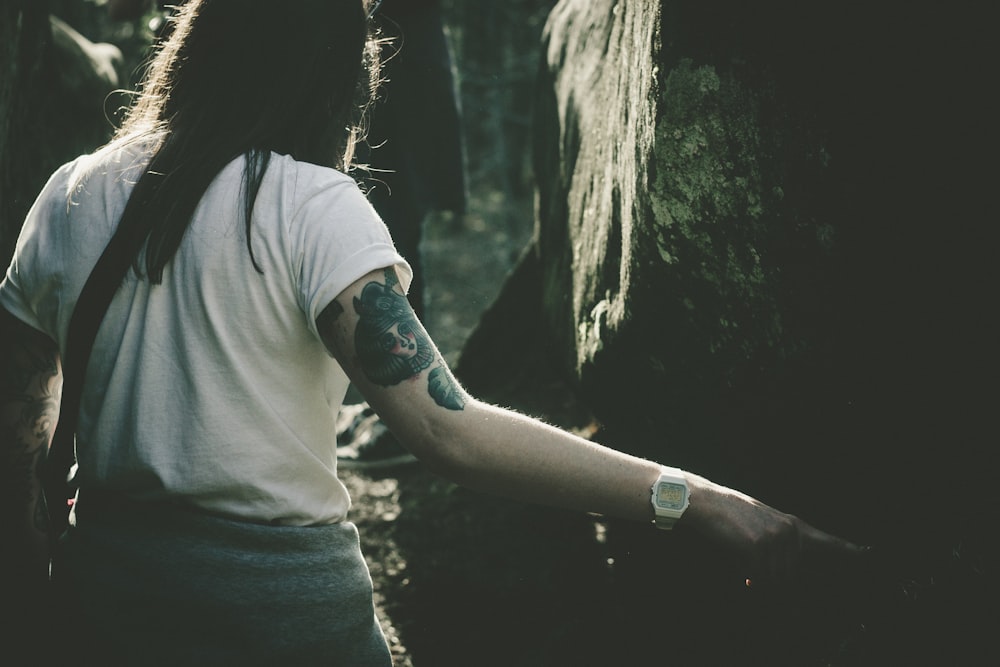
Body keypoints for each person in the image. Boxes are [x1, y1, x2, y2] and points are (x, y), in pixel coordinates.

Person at [0, 1, 866, 664]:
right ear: (330, 65)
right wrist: (704, 501)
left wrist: (37, 567)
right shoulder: (309, 205)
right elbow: (450, 432)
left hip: (103, 614)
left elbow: (18, 404)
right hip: (290, 627)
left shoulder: (70, 194)